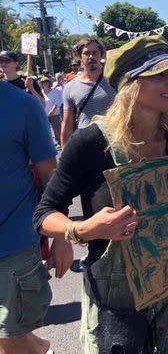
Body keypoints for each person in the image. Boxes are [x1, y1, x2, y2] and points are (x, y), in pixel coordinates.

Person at [33, 35, 168, 353]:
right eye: (159, 75)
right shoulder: (90, 144)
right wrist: (83, 230)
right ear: (130, 83)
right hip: (115, 311)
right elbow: (44, 215)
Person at [0, 81, 70, 354]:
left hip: (12, 247)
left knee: (10, 338)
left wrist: (62, 237)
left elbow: (51, 176)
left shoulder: (23, 105)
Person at [61, 37, 115, 147]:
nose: (91, 57)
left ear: (101, 55)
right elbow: (67, 125)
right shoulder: (70, 88)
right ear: (80, 57)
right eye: (86, 53)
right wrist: (66, 156)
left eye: (95, 53)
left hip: (114, 143)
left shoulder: (114, 81)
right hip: (86, 146)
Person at [40, 76, 63, 147]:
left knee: (57, 129)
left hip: (55, 114)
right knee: (46, 130)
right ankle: (50, 144)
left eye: (46, 81)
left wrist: (52, 111)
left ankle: (60, 142)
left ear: (49, 83)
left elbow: (57, 102)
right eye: (43, 82)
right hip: (44, 114)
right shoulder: (40, 92)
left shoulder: (55, 91)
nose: (45, 83)